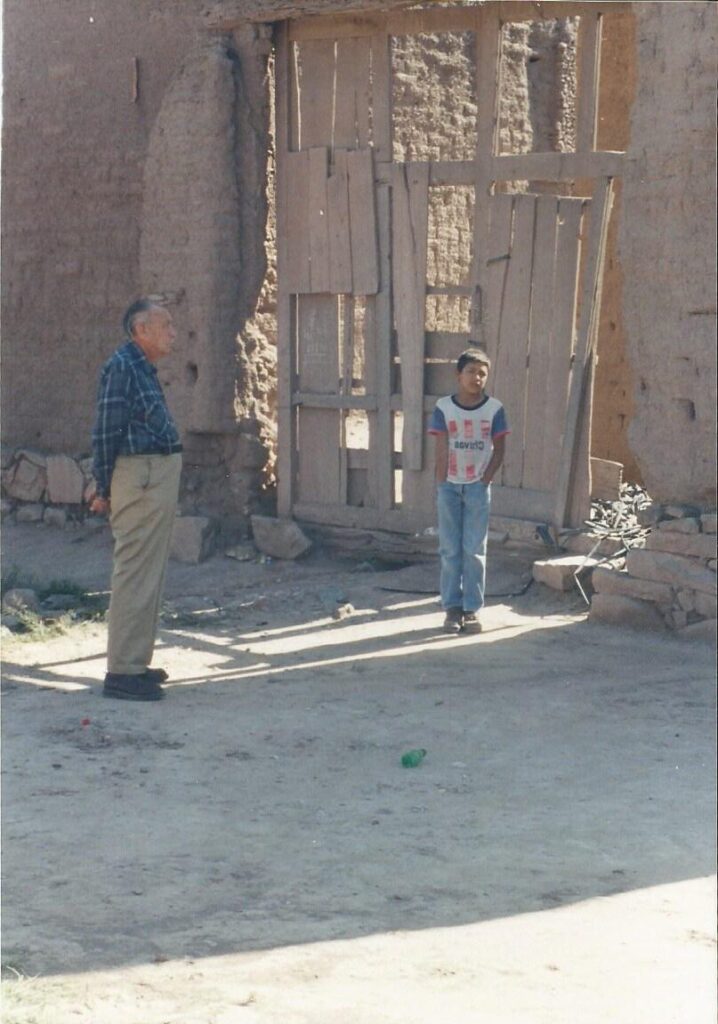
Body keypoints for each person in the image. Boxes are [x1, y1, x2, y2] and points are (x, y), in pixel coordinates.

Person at [89, 299, 183, 700]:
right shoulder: (123, 366)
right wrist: (102, 485)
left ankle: (135, 663)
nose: (173, 332)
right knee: (135, 571)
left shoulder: (139, 366)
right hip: (139, 477)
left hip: (152, 476)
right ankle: (122, 673)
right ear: (140, 330)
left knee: (150, 571)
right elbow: (106, 429)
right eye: (165, 325)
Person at [428, 347, 509, 635]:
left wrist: (485, 479)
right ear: (458, 375)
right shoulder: (443, 407)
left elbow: (499, 450)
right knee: (450, 549)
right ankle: (452, 608)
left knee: (474, 550)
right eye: (471, 371)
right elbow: (440, 444)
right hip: (449, 486)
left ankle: (472, 609)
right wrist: (442, 482)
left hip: (477, 487)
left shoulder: (494, 409)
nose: (477, 378)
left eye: (482, 373)